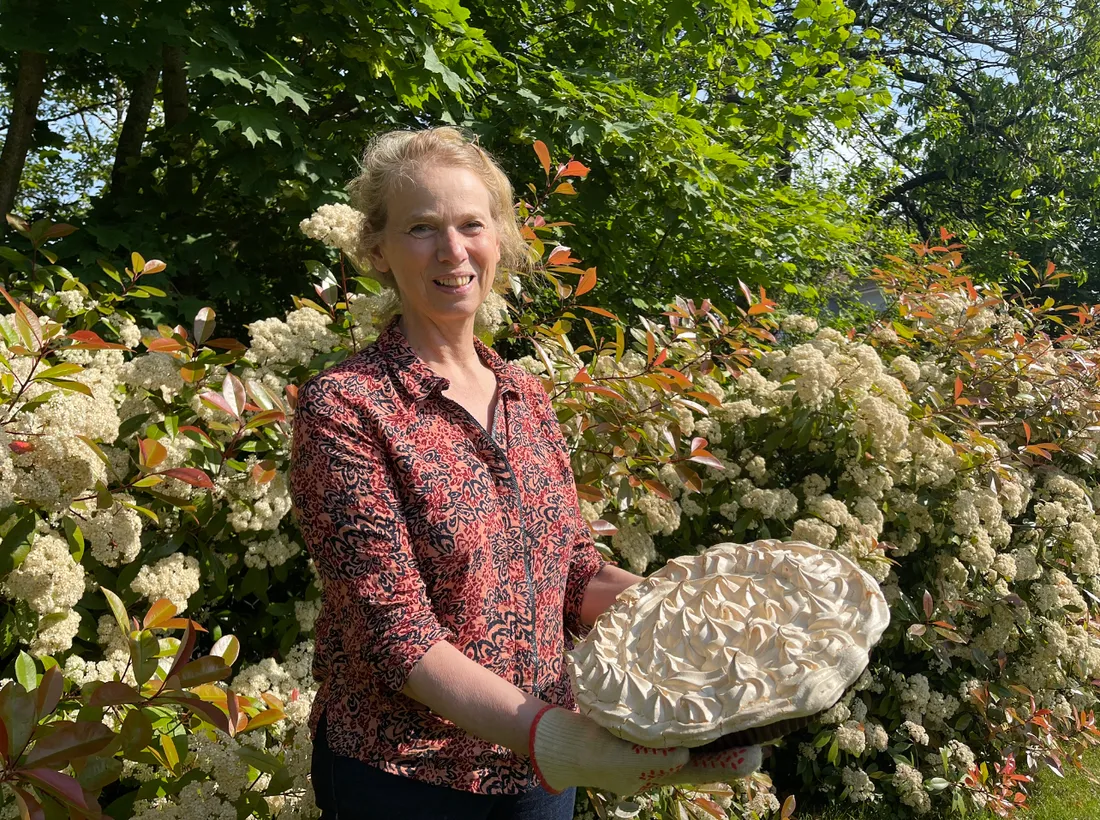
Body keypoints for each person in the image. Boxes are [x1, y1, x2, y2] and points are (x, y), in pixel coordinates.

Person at [289, 127, 761, 820]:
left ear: (499, 238)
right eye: (421, 228)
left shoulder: (526, 397)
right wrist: (563, 741)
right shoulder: (349, 406)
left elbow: (573, 575)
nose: (452, 250)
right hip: (402, 779)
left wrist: (690, 611)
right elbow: (396, 632)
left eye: (470, 224)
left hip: (537, 779)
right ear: (377, 250)